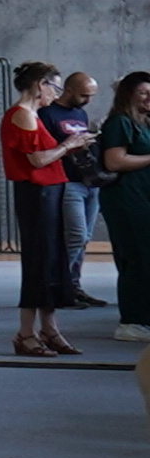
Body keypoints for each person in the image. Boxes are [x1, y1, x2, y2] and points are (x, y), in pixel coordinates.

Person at [0, 63, 76, 358]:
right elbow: (38, 160)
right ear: (40, 84)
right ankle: (25, 332)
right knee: (39, 262)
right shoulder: (22, 115)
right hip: (37, 194)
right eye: (54, 88)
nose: (56, 95)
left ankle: (49, 328)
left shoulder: (31, 115)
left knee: (50, 261)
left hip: (48, 192)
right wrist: (69, 145)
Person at [97, 71, 150, 339]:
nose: (148, 98)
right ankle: (131, 322)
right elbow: (114, 161)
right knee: (137, 258)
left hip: (142, 197)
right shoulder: (120, 122)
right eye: (143, 93)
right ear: (128, 94)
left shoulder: (143, 122)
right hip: (126, 199)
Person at [48, 70, 103, 311]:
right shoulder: (48, 113)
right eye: (84, 95)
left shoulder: (80, 113)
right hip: (67, 181)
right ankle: (56, 287)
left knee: (84, 238)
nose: (87, 101)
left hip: (88, 180)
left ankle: (73, 285)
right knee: (76, 236)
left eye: (91, 96)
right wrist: (70, 146)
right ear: (68, 90)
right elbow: (47, 150)